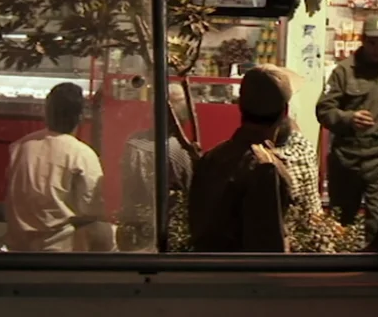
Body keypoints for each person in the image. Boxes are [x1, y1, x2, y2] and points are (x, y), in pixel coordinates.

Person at [188, 64, 295, 252]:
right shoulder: (265, 168)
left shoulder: (211, 158)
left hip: (207, 273)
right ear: (285, 111)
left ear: (240, 105)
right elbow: (268, 249)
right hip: (244, 277)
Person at [4, 82, 113, 252]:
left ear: (46, 113)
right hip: (60, 250)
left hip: (17, 244)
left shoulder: (20, 146)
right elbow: (91, 210)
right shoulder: (82, 154)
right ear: (80, 116)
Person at [316, 15, 378, 245]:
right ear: (363, 40)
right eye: (373, 42)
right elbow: (323, 110)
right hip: (347, 160)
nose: (377, 49)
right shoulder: (344, 72)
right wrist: (348, 118)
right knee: (341, 223)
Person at [117, 89, 195, 252]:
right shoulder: (177, 151)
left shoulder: (132, 142)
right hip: (165, 234)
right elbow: (191, 191)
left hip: (131, 230)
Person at [273, 116, 323, 215]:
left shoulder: (275, 165)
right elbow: (292, 126)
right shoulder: (305, 147)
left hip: (294, 227)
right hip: (318, 221)